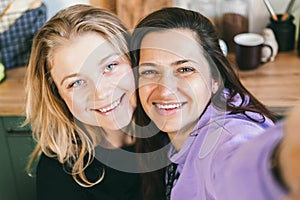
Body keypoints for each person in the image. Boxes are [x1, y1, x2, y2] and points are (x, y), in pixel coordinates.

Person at [130, 7, 297, 200]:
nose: (165, 90)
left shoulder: (227, 135)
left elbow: (239, 165)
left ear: (215, 80)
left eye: (185, 69)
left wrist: (280, 166)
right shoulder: (161, 138)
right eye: (149, 72)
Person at [24, 4, 140, 200]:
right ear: (58, 95)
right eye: (76, 82)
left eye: (110, 66)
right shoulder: (58, 173)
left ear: (133, 61)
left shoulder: (175, 130)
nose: (101, 93)